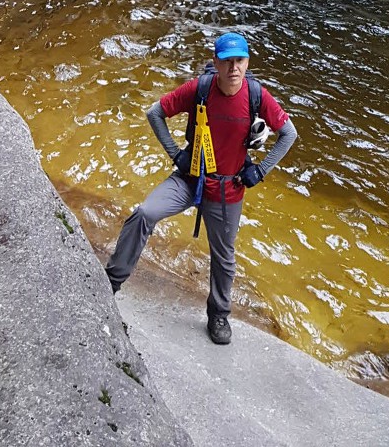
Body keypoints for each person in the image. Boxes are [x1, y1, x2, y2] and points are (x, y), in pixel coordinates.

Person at [104, 30, 298, 345]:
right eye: (227, 61)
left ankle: (218, 315)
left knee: (224, 256)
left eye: (240, 60)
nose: (234, 68)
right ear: (216, 63)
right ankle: (110, 282)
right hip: (189, 179)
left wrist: (260, 171)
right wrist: (175, 154)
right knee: (145, 213)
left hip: (227, 189)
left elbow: (288, 133)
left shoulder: (256, 95)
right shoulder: (200, 89)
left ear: (247, 62)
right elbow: (155, 113)